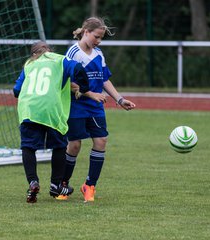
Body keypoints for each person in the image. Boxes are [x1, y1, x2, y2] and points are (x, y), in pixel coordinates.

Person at [13, 41, 105, 203]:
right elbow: (78, 69)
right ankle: (56, 185)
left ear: (33, 54)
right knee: (59, 146)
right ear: (48, 50)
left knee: (28, 147)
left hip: (29, 109)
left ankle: (33, 182)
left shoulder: (29, 64)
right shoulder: (59, 59)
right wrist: (84, 88)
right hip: (51, 110)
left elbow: (16, 91)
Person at [58, 17, 136, 202]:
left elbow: (104, 79)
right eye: (96, 36)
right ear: (86, 32)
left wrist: (120, 99)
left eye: (101, 38)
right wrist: (90, 93)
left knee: (101, 141)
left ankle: (89, 186)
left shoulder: (99, 53)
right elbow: (66, 83)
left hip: (95, 107)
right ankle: (63, 186)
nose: (98, 41)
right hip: (76, 105)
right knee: (75, 145)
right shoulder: (73, 53)